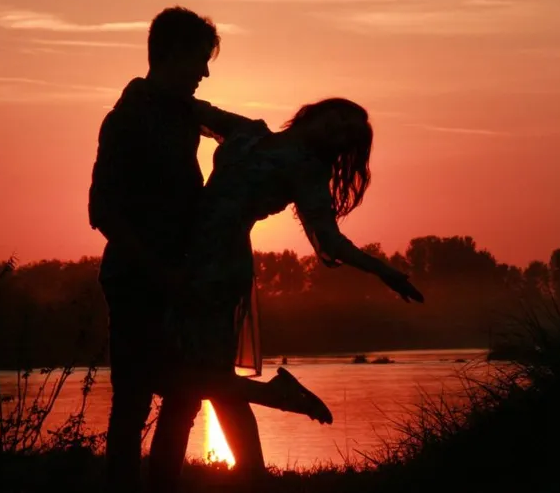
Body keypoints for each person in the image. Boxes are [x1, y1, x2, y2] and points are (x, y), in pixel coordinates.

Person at [160, 97, 425, 483]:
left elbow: (331, 241)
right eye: (339, 118)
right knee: (195, 384)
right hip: (186, 258)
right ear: (315, 111)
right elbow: (195, 110)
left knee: (194, 382)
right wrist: (147, 90)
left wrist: (384, 271)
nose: (338, 130)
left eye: (346, 134)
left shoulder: (308, 170)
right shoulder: (249, 131)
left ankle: (256, 450)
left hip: (220, 269)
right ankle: (253, 459)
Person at [87, 6, 282, 493]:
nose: (205, 73)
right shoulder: (125, 120)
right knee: (133, 402)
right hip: (137, 281)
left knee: (185, 398)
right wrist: (159, 272)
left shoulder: (186, 113)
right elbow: (102, 210)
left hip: (185, 279)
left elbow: (250, 131)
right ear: (172, 53)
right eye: (199, 60)